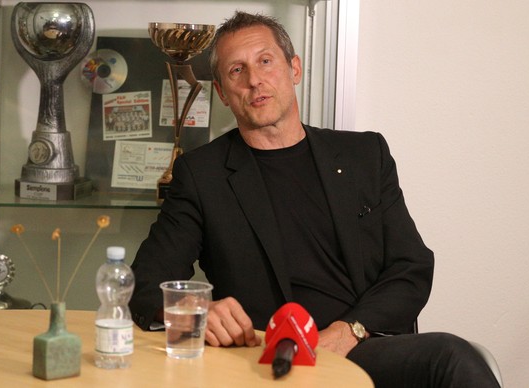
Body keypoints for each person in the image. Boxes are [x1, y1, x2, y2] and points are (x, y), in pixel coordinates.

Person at [130, 11, 500, 387]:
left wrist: (350, 330)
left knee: (454, 358)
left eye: (265, 61)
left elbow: (412, 266)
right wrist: (198, 310)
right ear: (223, 93)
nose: (255, 80)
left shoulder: (364, 155)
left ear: (295, 69)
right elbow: (144, 285)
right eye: (236, 71)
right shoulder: (202, 174)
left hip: (360, 349)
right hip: (266, 359)